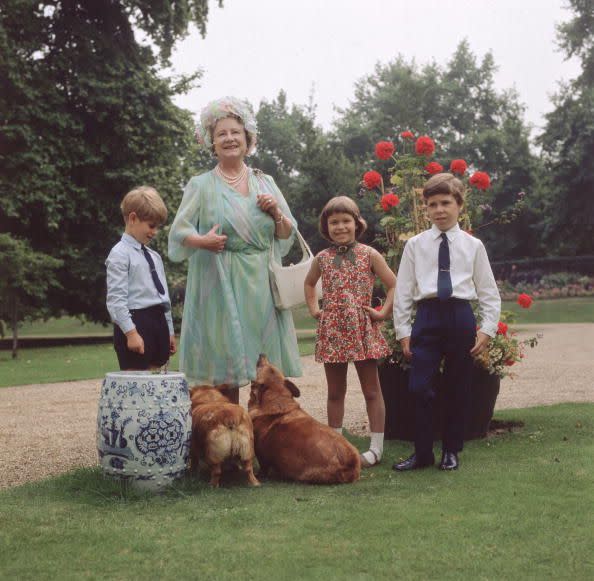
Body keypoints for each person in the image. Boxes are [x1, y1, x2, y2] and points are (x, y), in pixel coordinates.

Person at [168, 96, 301, 398]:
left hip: (260, 285)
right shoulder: (200, 185)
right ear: (212, 143)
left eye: (235, 132)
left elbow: (285, 234)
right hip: (219, 282)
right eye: (221, 134)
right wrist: (203, 240)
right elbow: (178, 233)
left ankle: (264, 437)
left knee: (264, 370)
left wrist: (276, 213)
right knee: (224, 369)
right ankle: (226, 436)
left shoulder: (264, 181)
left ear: (248, 139)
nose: (229, 138)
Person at [392, 173, 501, 472]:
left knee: (458, 386)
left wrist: (487, 329)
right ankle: (423, 452)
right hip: (427, 317)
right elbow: (403, 290)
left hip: (459, 316)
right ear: (425, 208)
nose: (439, 210)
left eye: (445, 203)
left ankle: (451, 450)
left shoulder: (473, 246)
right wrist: (404, 332)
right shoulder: (415, 245)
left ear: (459, 205)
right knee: (418, 387)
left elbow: (489, 291)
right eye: (432, 204)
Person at [304, 196, 396, 467]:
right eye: (334, 222)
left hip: (361, 328)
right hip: (333, 330)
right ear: (326, 226)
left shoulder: (369, 254)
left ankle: (376, 448)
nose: (340, 227)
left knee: (371, 390)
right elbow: (309, 285)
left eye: (346, 221)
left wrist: (383, 313)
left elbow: (393, 284)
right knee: (335, 392)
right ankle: (336, 449)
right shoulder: (321, 258)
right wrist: (314, 309)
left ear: (357, 224)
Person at [106, 186, 177, 371]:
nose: (155, 232)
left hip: (158, 321)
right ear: (133, 218)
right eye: (151, 225)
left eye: (158, 227)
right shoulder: (119, 254)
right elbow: (116, 301)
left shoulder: (154, 257)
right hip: (136, 323)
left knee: (156, 387)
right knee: (136, 387)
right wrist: (131, 333)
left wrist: (168, 331)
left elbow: (164, 298)